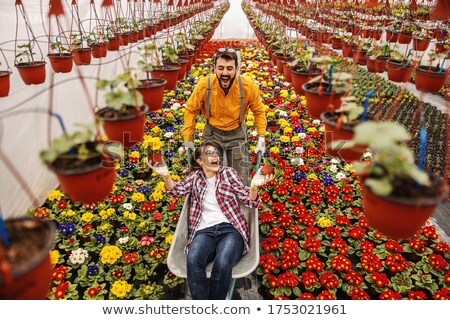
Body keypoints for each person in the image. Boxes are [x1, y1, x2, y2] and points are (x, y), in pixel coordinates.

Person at [147, 141, 274, 299]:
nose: (215, 156)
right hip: (203, 232)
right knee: (193, 260)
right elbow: (175, 191)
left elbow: (249, 202)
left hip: (230, 230)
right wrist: (166, 176)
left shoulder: (229, 173)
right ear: (200, 161)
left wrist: (253, 187)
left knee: (222, 262)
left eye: (216, 154)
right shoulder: (195, 178)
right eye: (209, 153)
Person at [182, 48, 267, 182]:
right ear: (214, 68)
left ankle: (238, 200)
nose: (225, 73)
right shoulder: (205, 85)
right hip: (212, 133)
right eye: (221, 68)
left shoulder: (247, 86)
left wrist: (261, 136)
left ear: (237, 69)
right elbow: (191, 110)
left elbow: (258, 110)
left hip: (237, 134)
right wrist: (188, 137)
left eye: (229, 68)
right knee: (209, 176)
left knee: (240, 178)